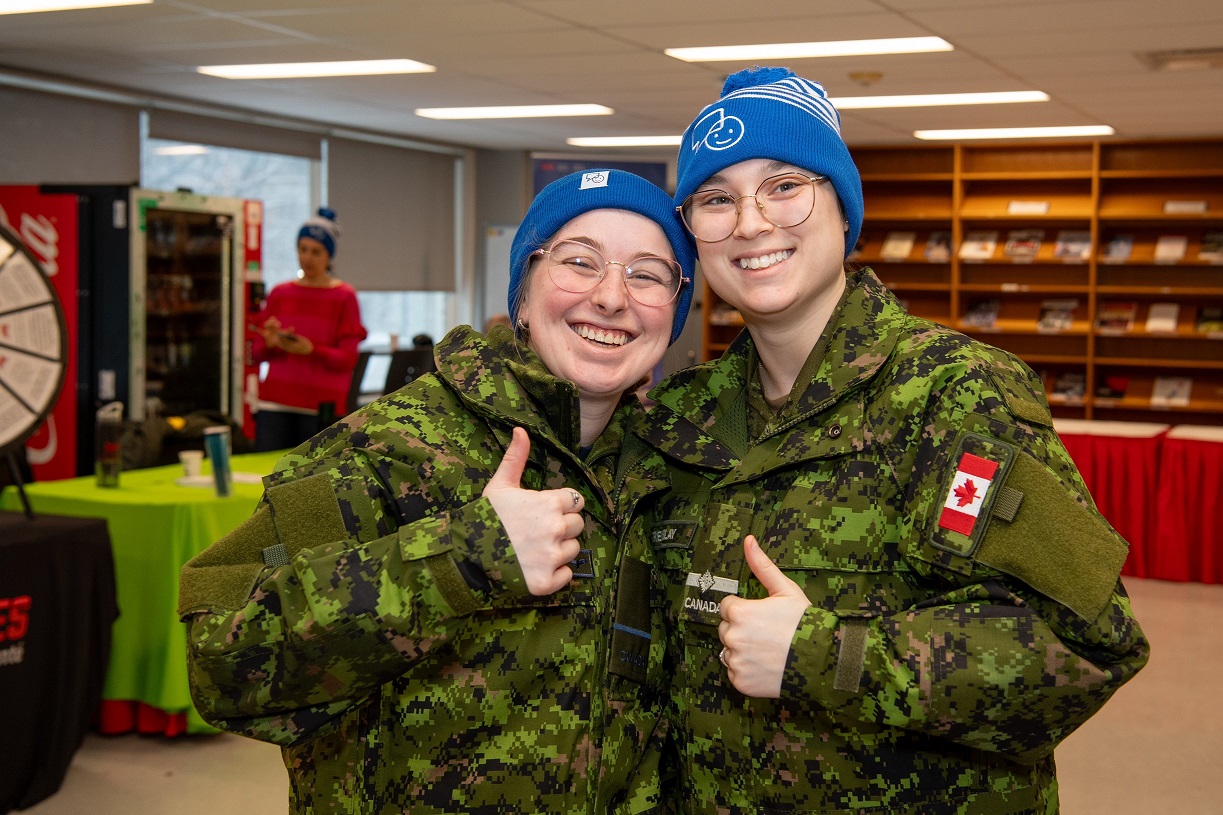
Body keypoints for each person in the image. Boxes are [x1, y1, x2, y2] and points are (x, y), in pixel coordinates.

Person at [635, 66, 1150, 814]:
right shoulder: (682, 415)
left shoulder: (956, 391)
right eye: (716, 199)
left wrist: (825, 654)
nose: (748, 222)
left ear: (842, 209)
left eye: (784, 185)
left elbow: (1085, 644)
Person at [178, 169, 695, 814]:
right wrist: (460, 558)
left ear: (674, 311)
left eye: (647, 274)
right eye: (579, 262)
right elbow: (223, 665)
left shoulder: (668, 471)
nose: (612, 297)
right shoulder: (386, 449)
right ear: (523, 297)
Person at [251, 207, 367, 451]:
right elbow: (257, 353)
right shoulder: (280, 293)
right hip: (274, 404)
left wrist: (311, 350)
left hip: (320, 409)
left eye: (316, 251)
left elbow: (348, 359)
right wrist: (272, 343)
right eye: (302, 249)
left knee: (313, 483)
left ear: (329, 255)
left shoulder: (344, 296)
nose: (307, 257)